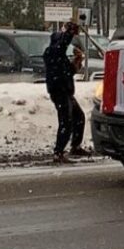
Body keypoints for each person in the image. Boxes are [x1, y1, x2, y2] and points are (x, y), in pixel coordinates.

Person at [43, 22, 88, 163]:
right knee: (66, 122)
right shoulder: (52, 52)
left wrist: (77, 60)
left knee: (79, 117)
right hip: (59, 92)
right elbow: (62, 44)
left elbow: (69, 72)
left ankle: (75, 145)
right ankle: (58, 152)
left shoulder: (59, 56)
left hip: (66, 91)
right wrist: (70, 32)